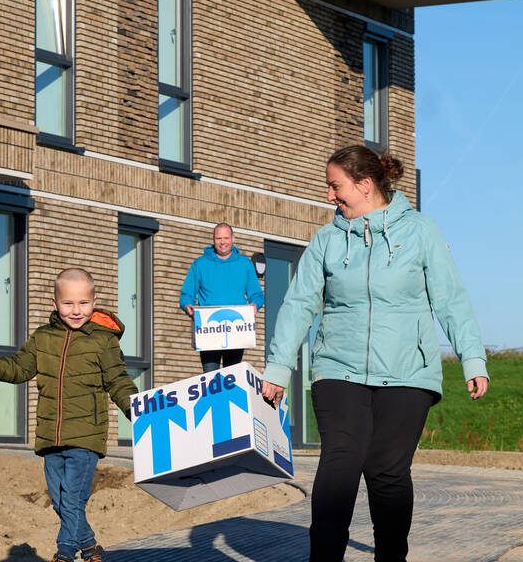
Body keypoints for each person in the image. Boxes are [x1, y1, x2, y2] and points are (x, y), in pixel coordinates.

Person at [260, 145, 489, 562]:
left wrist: (472, 358)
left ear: (364, 185)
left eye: (335, 186)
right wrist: (277, 366)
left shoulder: (421, 232)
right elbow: (298, 304)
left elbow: (450, 299)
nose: (329, 196)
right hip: (338, 369)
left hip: (407, 372)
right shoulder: (327, 240)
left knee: (386, 471)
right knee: (340, 463)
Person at [0, 268, 137, 562]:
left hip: (86, 437)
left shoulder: (103, 340)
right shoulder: (42, 338)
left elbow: (118, 380)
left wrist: (140, 410)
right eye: (68, 303)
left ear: (94, 301)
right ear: (55, 303)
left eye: (83, 303)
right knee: (61, 502)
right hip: (50, 437)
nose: (76, 310)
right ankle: (91, 546)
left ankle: (65, 553)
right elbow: (18, 369)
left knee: (72, 498)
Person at [179, 222, 265, 372]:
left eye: (226, 238)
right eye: (219, 238)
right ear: (213, 239)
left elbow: (257, 294)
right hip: (208, 329)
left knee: (232, 376)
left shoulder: (245, 264)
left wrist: (255, 305)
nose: (222, 242)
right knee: (210, 377)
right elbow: (186, 294)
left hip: (237, 330)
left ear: (233, 238)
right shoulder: (200, 264)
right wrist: (188, 306)